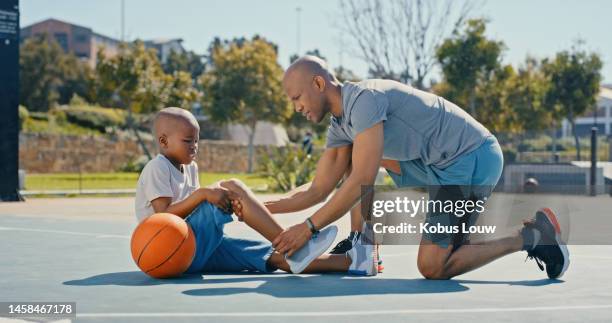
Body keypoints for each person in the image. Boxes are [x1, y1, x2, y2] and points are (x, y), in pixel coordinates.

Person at [262, 56, 569, 279]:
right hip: (433, 166)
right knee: (354, 155)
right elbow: (319, 188)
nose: (296, 108)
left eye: (297, 98)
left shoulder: (364, 100)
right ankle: (362, 246)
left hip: (469, 158)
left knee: (434, 266)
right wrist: (259, 207)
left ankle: (529, 237)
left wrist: (308, 228)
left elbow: (362, 180)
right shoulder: (340, 125)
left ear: (318, 83)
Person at [134, 107, 370, 275]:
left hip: (190, 252)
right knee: (232, 186)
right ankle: (296, 245)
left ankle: (352, 262)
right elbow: (161, 217)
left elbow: (195, 211)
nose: (194, 146)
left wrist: (213, 198)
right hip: (165, 250)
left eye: (196, 140)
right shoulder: (158, 167)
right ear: (164, 141)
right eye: (188, 141)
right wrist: (206, 194)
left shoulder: (190, 168)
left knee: (276, 258)